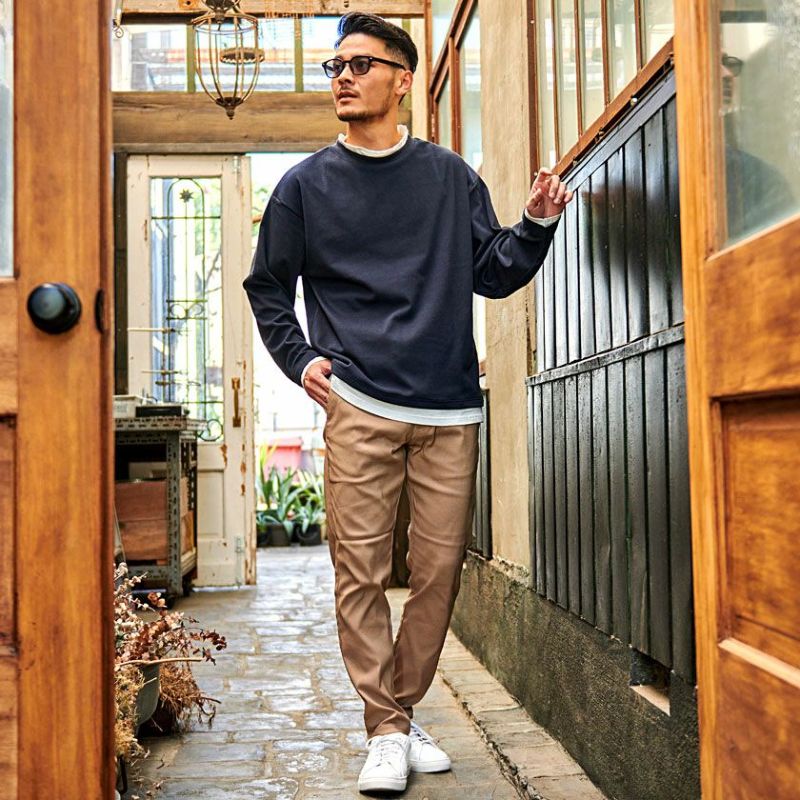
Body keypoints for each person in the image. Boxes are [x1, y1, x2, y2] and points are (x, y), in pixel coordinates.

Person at [243, 12, 573, 794]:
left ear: (402, 79)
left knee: (437, 574)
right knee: (358, 573)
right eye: (334, 66)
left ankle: (399, 710)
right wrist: (301, 359)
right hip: (357, 400)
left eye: (360, 64)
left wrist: (535, 223)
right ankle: (387, 730)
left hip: (448, 407)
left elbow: (491, 271)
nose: (342, 77)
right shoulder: (302, 188)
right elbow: (268, 287)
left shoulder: (449, 177)